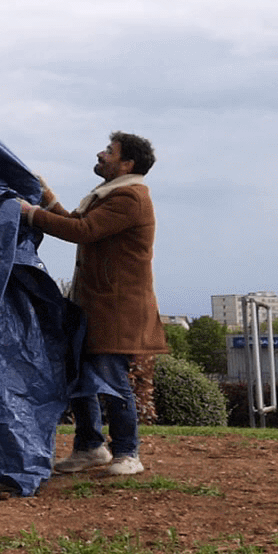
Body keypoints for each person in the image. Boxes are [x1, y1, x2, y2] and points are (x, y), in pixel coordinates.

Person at [19, 131, 164, 477]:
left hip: (117, 310)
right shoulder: (111, 195)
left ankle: (127, 453)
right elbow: (77, 223)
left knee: (111, 380)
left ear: (126, 163)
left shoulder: (129, 198)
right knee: (81, 376)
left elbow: (82, 231)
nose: (101, 154)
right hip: (97, 306)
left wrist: (30, 214)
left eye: (109, 152)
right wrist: (46, 197)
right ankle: (89, 447)